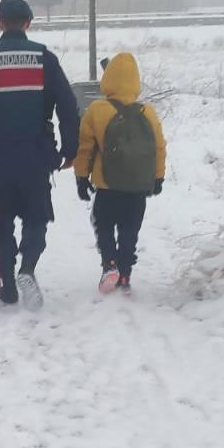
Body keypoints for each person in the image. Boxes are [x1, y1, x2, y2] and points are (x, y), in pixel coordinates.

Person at [0, 0, 79, 309]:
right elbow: (68, 106)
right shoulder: (44, 59)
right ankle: (28, 268)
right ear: (28, 23)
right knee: (37, 217)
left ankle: (8, 286)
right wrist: (70, 148)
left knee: (1, 222)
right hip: (36, 156)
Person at [74, 52, 167, 295]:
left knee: (103, 223)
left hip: (107, 185)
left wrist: (82, 177)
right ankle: (125, 272)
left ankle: (110, 264)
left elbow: (84, 148)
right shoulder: (148, 112)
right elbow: (158, 147)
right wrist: (158, 178)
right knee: (130, 229)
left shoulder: (97, 109)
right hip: (137, 187)